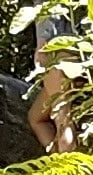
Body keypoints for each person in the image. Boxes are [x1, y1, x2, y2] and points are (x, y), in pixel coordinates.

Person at [22, 2, 77, 153]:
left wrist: (41, 55)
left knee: (63, 120)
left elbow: (47, 27)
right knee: (36, 117)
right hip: (83, 54)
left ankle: (68, 171)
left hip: (58, 56)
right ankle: (57, 161)